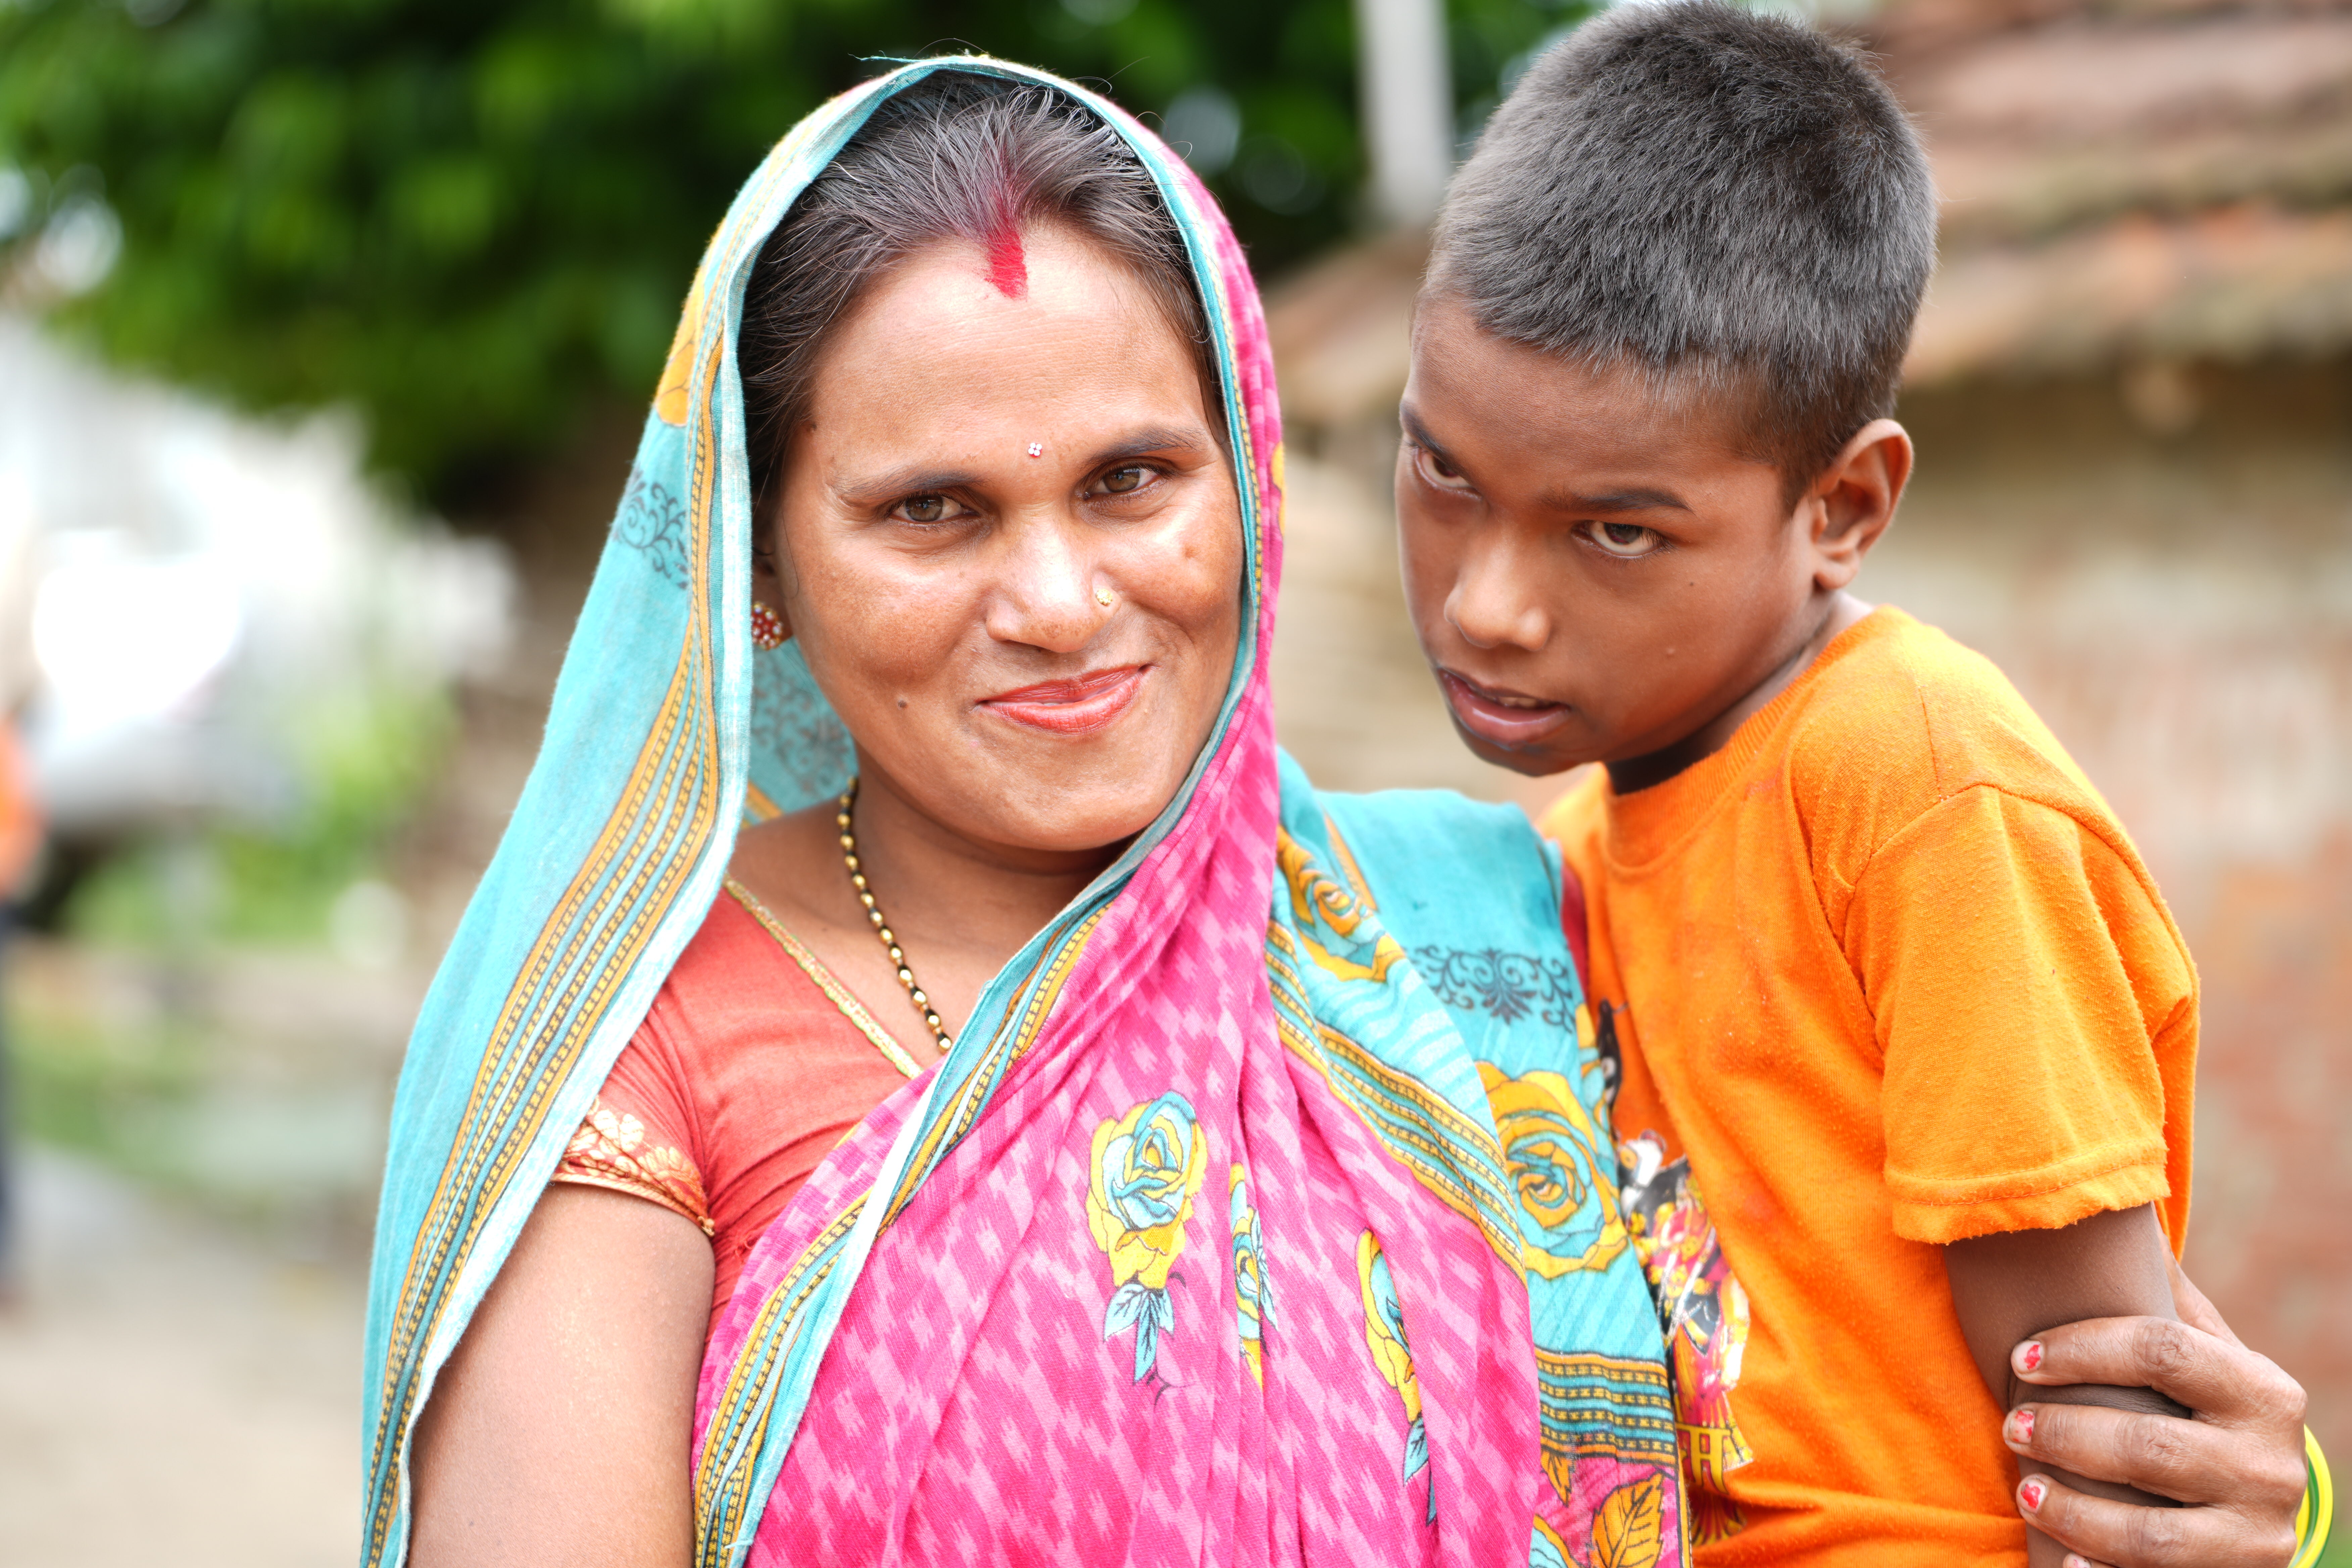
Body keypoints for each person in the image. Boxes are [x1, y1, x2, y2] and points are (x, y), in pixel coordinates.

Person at [367, 63, 1680, 1568]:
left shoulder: (1490, 932)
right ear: (762, 576)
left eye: (1133, 481)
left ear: (1246, 477)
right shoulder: (636, 1048)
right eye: (934, 509)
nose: (1061, 605)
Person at [1394, 5, 2324, 1566]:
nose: (1491, 604)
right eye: (1442, 474)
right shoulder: (1557, 862)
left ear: (1843, 505)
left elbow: (2104, 1449)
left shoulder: (1913, 782)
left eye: (1614, 530)